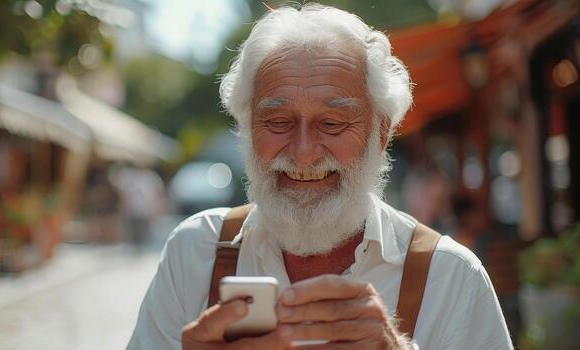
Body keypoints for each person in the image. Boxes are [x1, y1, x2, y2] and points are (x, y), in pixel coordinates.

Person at [128, 4, 513, 350]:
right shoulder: (194, 252)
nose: (304, 153)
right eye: (278, 122)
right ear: (247, 129)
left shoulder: (451, 276)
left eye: (332, 123)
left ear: (380, 133)